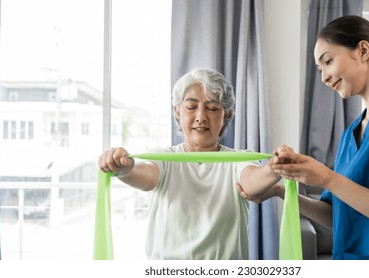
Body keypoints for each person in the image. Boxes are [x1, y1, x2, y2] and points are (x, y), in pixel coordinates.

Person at [241, 15, 369, 260]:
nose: (324, 77)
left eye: (328, 61)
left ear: (363, 50)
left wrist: (327, 178)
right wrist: (280, 191)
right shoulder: (351, 133)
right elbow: (337, 215)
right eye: (320, 69)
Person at [98, 68, 280, 260]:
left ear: (227, 113)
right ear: (177, 111)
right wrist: (125, 169)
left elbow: (251, 183)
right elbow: (144, 176)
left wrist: (274, 168)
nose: (201, 117)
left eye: (212, 108)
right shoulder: (164, 158)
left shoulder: (239, 160)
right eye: (191, 107)